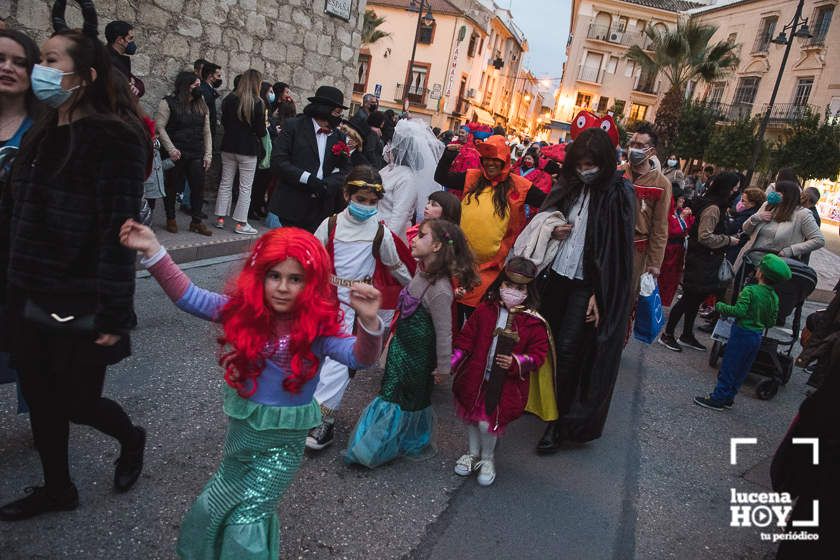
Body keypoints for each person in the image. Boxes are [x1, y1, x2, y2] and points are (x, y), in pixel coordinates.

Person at [118, 221, 385, 558]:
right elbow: (188, 296)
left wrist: (371, 323)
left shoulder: (318, 330)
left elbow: (359, 358)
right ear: (260, 277)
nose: (283, 287)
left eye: (295, 279)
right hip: (242, 437)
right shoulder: (243, 313)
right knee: (214, 503)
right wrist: (153, 250)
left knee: (248, 518)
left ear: (311, 284)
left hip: (282, 450)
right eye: (275, 276)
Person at [0, 11, 151, 520]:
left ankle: (131, 439)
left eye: (49, 61)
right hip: (27, 291)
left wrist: (113, 313)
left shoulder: (115, 139)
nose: (38, 70)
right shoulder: (42, 131)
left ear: (84, 77)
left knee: (77, 403)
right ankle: (57, 488)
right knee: (41, 399)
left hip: (80, 296)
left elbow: (119, 233)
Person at [531, 127, 636, 452]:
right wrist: (552, 226)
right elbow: (544, 215)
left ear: (604, 163)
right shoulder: (570, 185)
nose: (584, 170)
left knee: (568, 350)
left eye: (590, 164)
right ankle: (539, 402)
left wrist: (598, 293)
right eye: (579, 164)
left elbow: (617, 253)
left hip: (586, 286)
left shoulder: (620, 193)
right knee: (542, 342)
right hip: (554, 275)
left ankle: (557, 424)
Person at [344, 219, 480, 468]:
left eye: (422, 235)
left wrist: (443, 367)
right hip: (401, 348)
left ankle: (375, 447)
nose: (414, 239)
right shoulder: (420, 271)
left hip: (418, 358)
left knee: (405, 397)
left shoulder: (440, 290)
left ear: (437, 246)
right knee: (393, 392)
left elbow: (444, 332)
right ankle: (394, 441)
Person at [307, 167, 414, 450]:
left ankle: (324, 422)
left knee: (339, 364)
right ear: (346, 195)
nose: (366, 206)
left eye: (371, 202)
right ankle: (303, 411)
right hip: (324, 304)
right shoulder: (329, 225)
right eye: (360, 199)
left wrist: (416, 288)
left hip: (355, 309)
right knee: (314, 358)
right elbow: (310, 259)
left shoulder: (380, 233)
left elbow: (396, 267)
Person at [451, 258, 553, 485]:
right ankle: (472, 454)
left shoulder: (533, 324)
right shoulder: (485, 311)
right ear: (500, 285)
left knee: (489, 423)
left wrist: (516, 362)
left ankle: (487, 459)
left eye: (520, 288)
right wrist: (451, 362)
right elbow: (466, 340)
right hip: (476, 377)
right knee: (471, 419)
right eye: (509, 285)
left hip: (505, 385)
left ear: (528, 291)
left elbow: (538, 355)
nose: (512, 292)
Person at [435, 135, 547, 321]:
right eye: (486, 159)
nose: (489, 163)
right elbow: (441, 177)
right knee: (448, 320)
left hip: (488, 271)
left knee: (477, 322)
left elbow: (548, 202)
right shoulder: (472, 177)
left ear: (504, 160)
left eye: (495, 159)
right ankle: (453, 351)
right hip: (456, 263)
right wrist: (448, 155)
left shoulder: (520, 186)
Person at [0, 27, 40, 415]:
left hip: (25, 260)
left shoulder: (46, 128)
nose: (8, 68)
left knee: (30, 352)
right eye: (1, 59)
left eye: (19, 61)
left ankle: (45, 417)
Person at [694, 254, 791, 410]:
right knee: (742, 369)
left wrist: (720, 307)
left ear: (762, 273)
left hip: (741, 333)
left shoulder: (750, 291)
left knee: (729, 366)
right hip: (757, 336)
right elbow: (771, 322)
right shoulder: (774, 297)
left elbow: (739, 311)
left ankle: (718, 398)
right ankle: (729, 397)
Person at [659, 173, 742, 352]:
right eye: (735, 187)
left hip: (706, 260)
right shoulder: (713, 208)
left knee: (695, 299)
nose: (736, 191)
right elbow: (705, 236)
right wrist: (728, 240)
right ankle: (668, 334)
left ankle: (687, 335)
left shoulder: (716, 205)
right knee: (689, 298)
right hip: (702, 260)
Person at [266, 85, 351, 232]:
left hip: (322, 208)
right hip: (292, 204)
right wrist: (308, 179)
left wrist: (327, 184)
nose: (339, 118)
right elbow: (279, 162)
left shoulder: (339, 136)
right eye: (337, 113)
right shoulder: (294, 126)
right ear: (325, 109)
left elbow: (345, 169)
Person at [156, 70, 213, 235]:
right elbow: (160, 127)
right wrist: (171, 149)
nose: (199, 87)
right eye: (196, 85)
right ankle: (171, 218)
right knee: (172, 186)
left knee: (198, 187)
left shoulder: (201, 104)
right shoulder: (168, 103)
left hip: (195, 152)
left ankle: (196, 221)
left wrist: (208, 154)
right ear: (186, 86)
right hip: (176, 152)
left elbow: (207, 131)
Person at [733, 180, 825, 274]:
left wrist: (790, 250)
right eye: (775, 191)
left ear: (789, 195)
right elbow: (746, 229)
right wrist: (756, 218)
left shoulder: (802, 214)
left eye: (779, 192)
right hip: (749, 260)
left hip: (773, 267)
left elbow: (819, 240)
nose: (774, 194)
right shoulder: (768, 205)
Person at [214, 69, 266, 235]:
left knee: (225, 182)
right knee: (245, 187)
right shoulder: (257, 102)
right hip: (248, 148)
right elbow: (260, 130)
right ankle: (241, 223)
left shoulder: (230, 99)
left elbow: (225, 122)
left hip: (228, 145)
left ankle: (220, 218)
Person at [624, 122, 672, 293]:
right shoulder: (618, 173)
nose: (633, 149)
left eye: (640, 146)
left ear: (651, 151)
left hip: (637, 249)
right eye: (632, 144)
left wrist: (654, 262)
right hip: (610, 241)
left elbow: (660, 226)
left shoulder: (661, 184)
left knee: (627, 297)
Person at [379, 119, 443, 238]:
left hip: (391, 233)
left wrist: (386, 240)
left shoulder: (407, 177)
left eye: (390, 144)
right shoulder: (388, 168)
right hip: (378, 227)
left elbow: (399, 214)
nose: (387, 147)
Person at [658, 184, 694, 307]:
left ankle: (664, 300)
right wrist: (683, 217)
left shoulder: (679, 212)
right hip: (669, 249)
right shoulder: (668, 212)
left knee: (672, 278)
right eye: (681, 199)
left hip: (678, 250)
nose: (683, 201)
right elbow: (672, 231)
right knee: (663, 277)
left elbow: (688, 229)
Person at [104, 20, 144, 98]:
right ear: (120, 40)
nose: (132, 42)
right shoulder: (106, 59)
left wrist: (134, 85)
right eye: (130, 38)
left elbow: (140, 85)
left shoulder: (119, 59)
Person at [199, 62, 222, 141]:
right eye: (218, 76)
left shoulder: (210, 90)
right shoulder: (205, 91)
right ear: (210, 77)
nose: (220, 78)